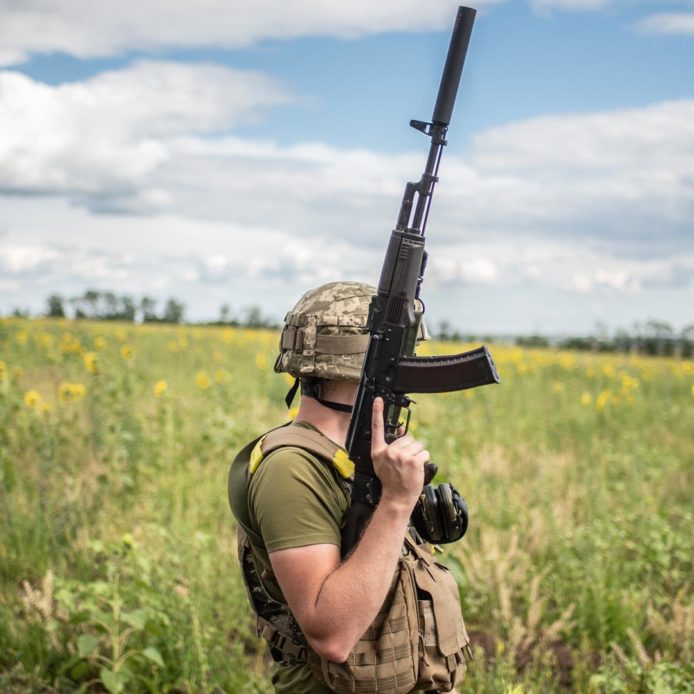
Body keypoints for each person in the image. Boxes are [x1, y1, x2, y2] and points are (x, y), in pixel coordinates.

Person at [228, 281, 470, 693]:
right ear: (363, 361)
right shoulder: (291, 468)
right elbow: (331, 635)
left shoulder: (362, 456)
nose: (408, 366)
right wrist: (395, 502)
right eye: (398, 354)